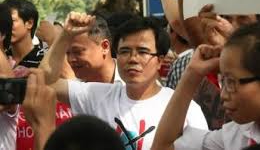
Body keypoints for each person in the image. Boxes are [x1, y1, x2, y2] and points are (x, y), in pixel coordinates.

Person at [40, 13, 208, 150]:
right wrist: (65, 36)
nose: (132, 59)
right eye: (125, 51)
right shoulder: (95, 95)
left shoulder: (186, 110)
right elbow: (44, 82)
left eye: (142, 52)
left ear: (160, 60)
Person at [152, 22, 260, 150]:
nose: (223, 95)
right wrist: (192, 74)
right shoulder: (236, 136)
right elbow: (164, 146)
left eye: (231, 82)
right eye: (223, 81)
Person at [2, 0, 72, 150]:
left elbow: (70, 82)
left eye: (12, 21)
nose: (6, 27)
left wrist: (54, 39)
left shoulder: (46, 57)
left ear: (29, 23)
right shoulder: (3, 60)